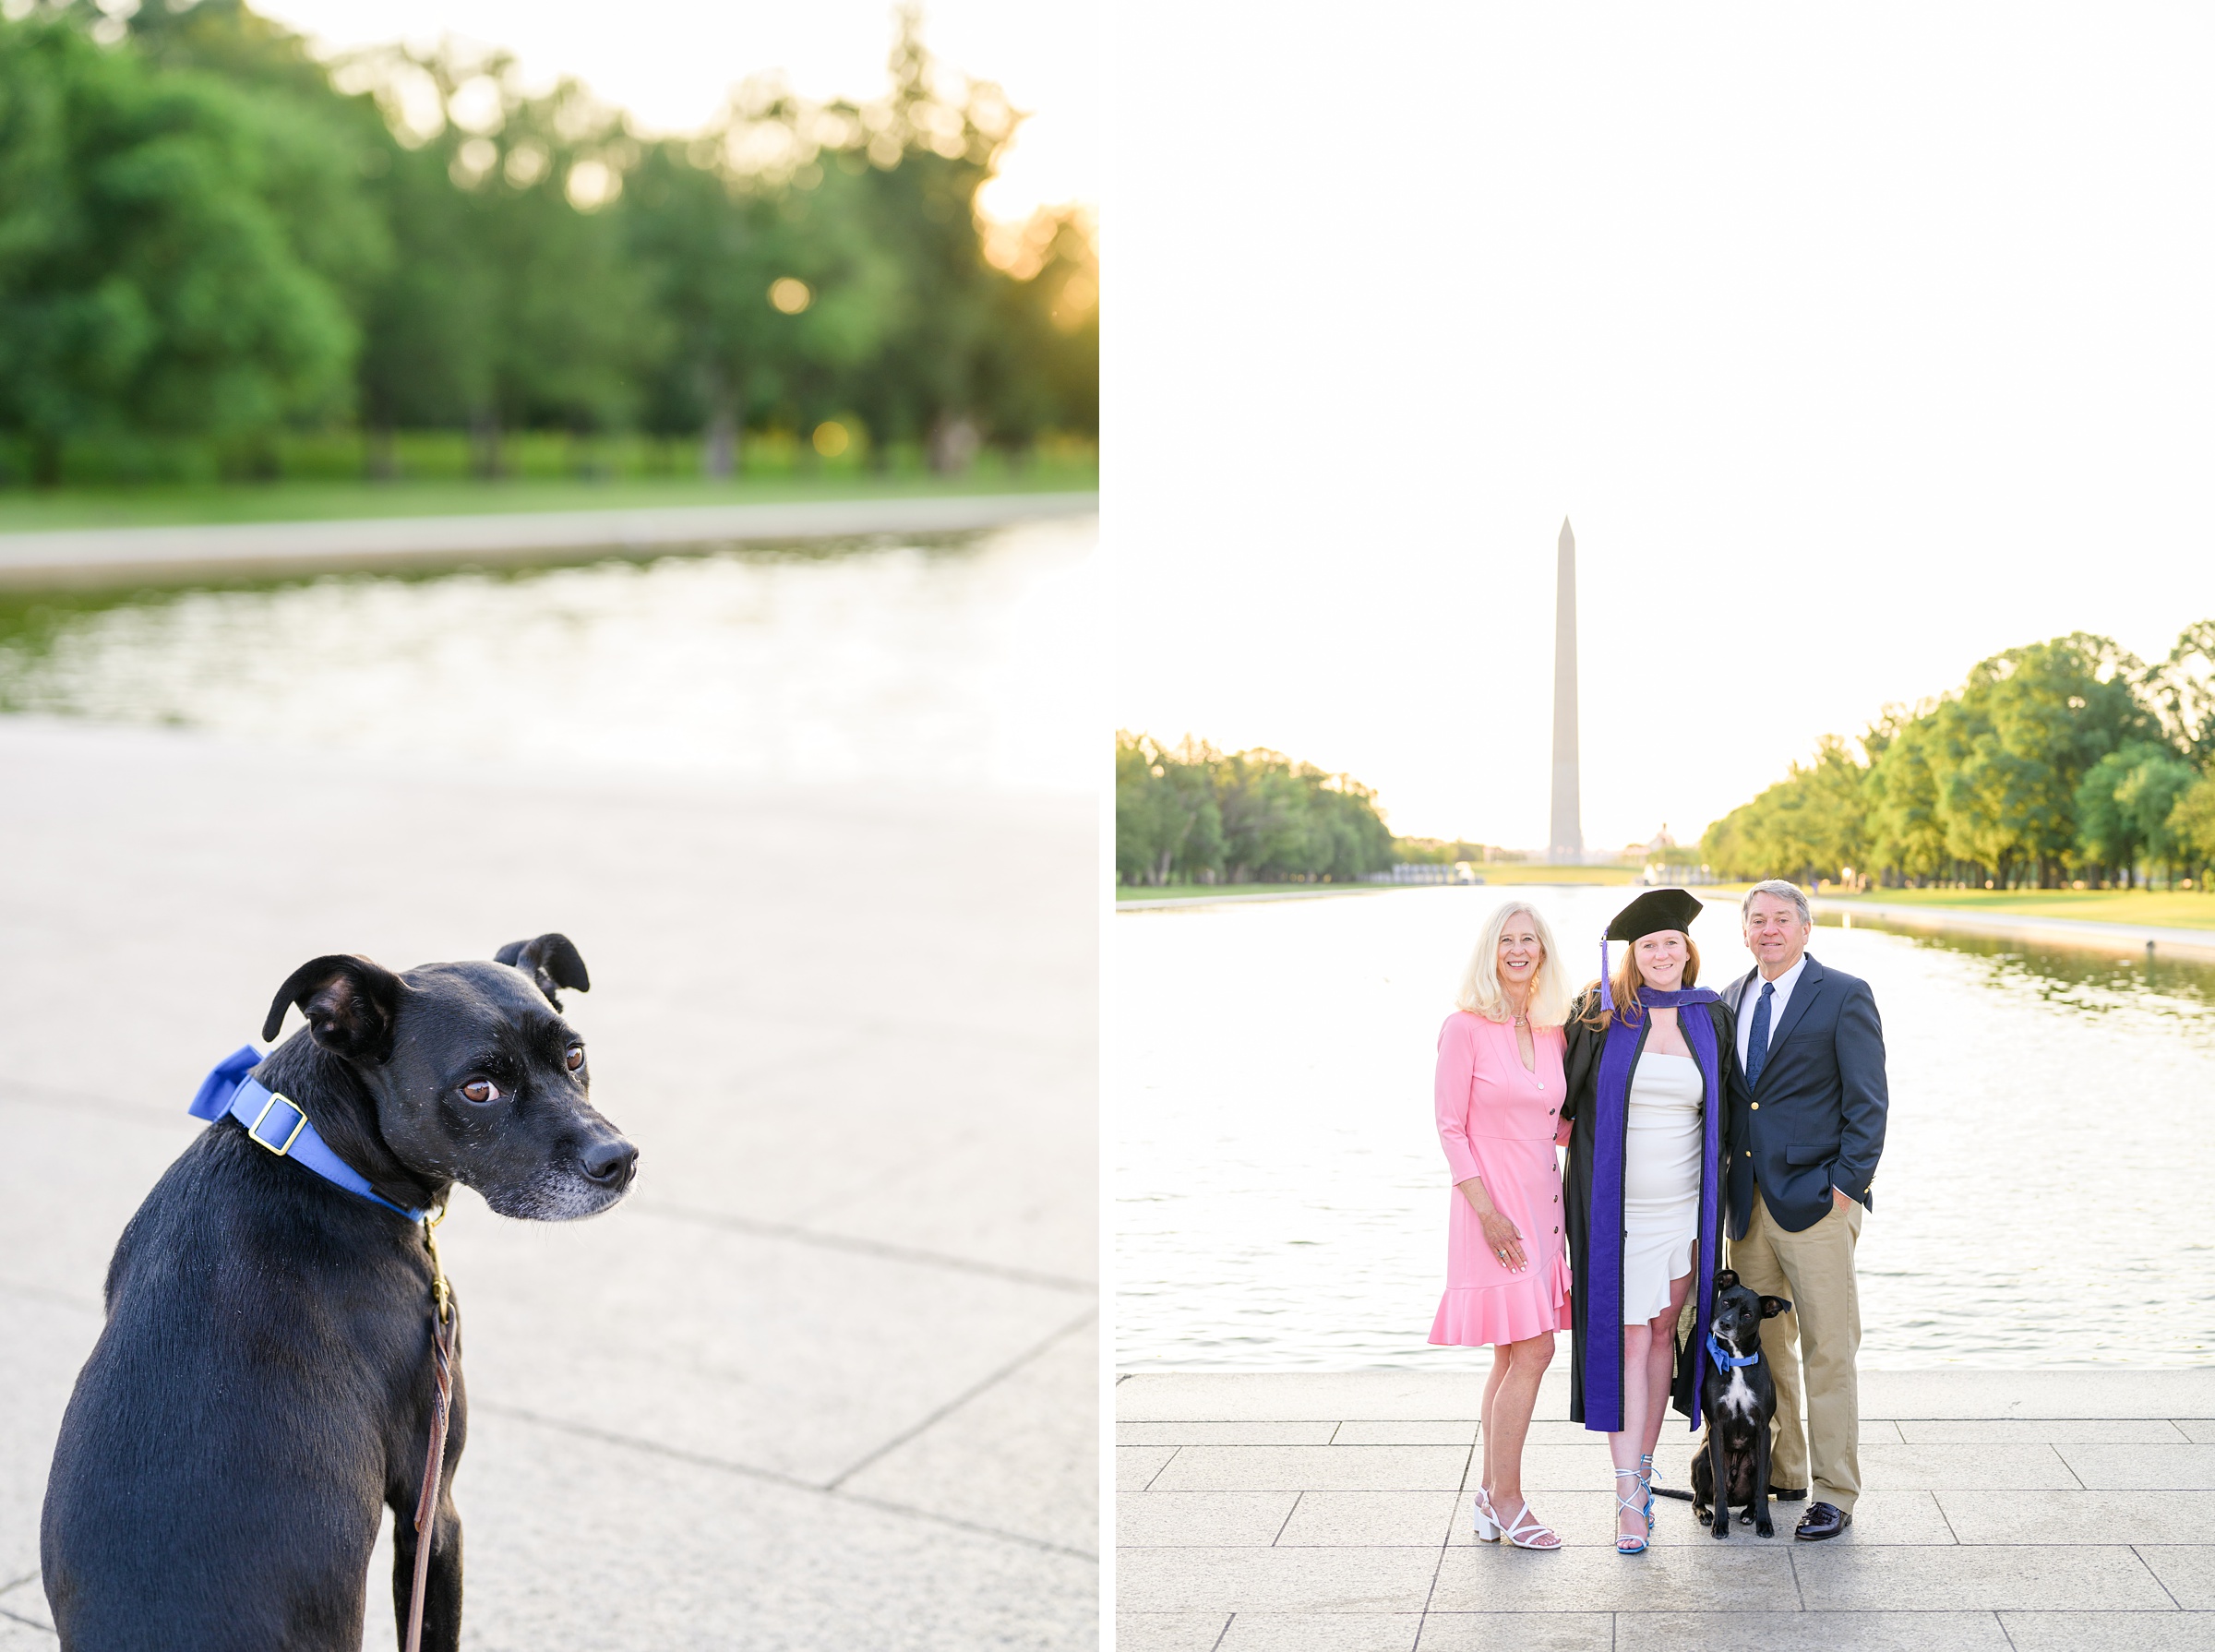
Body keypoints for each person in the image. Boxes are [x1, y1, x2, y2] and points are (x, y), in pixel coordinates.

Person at [1562, 889, 1744, 1554]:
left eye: (1671, 942)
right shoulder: (1601, 1014)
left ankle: (1641, 1476)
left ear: (1687, 950)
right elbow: (1558, 1103)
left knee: (1664, 1332)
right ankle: (1628, 1498)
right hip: (1617, 1215)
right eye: (1648, 946)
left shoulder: (1708, 1016)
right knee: (1630, 1342)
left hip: (1684, 1213)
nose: (1661, 953)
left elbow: (1728, 1110)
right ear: (1631, 958)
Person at [1718, 879, 1888, 1541]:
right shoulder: (1730, 998)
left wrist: (1847, 1185)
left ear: (1806, 929)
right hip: (1749, 1208)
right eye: (1757, 920)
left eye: (1781, 919)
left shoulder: (1844, 995)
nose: (1769, 930)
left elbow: (1868, 1103)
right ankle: (1783, 1469)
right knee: (1766, 1350)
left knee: (1827, 1348)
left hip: (1819, 1201)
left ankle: (1835, 1491)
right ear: (1745, 930)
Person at [1430, 901, 1574, 1550]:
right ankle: (1509, 1500)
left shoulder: (1552, 1029)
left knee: (1513, 1353)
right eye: (1507, 940)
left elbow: (1559, 1122)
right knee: (1535, 1351)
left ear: (1543, 952)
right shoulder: (1463, 1029)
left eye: (1530, 940)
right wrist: (1485, 1212)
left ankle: (1490, 1498)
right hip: (1492, 1212)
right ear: (1491, 952)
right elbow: (1449, 1126)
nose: (1518, 950)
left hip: (1544, 1208)